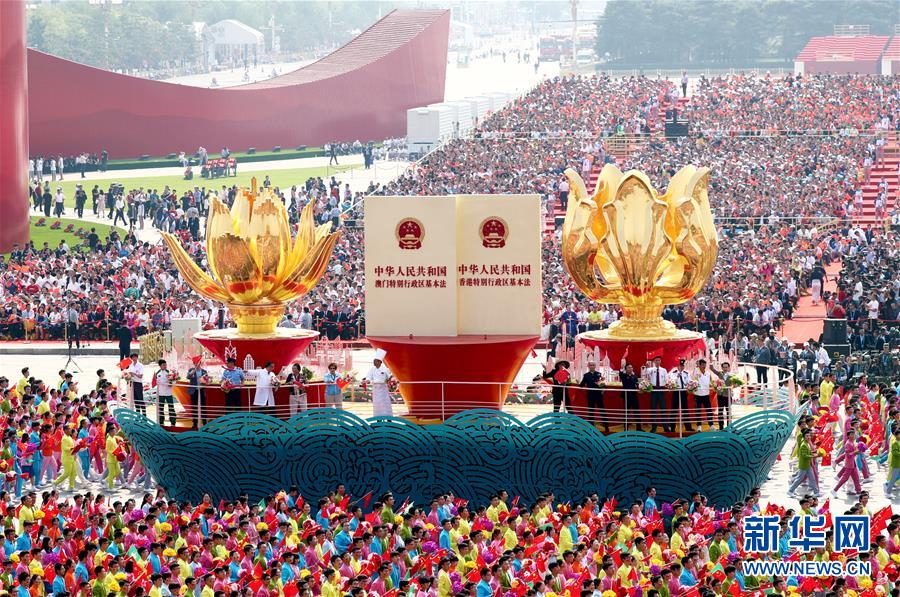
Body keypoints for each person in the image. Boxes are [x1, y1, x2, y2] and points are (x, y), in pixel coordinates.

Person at [645, 355, 669, 433]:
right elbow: (646, 372)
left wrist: (667, 384)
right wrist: (647, 367)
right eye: (656, 360)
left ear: (660, 361)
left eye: (659, 360)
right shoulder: (651, 369)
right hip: (654, 390)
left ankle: (665, 427)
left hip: (661, 390)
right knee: (653, 409)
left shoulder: (664, 370)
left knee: (663, 409)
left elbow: (666, 379)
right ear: (654, 362)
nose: (657, 361)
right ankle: (654, 427)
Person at [580, 361, 607, 432]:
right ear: (588, 366)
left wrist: (603, 383)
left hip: (598, 395)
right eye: (590, 365)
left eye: (593, 365)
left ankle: (605, 425)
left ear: (595, 366)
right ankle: (591, 426)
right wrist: (578, 383)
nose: (592, 366)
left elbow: (603, 385)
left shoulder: (599, 374)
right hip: (590, 395)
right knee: (591, 411)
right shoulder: (586, 375)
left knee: (602, 410)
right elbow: (582, 384)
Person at [366, 349, 393, 417]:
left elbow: (390, 376)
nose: (374, 362)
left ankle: (388, 418)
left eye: (375, 361)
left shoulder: (385, 369)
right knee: (377, 404)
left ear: (380, 362)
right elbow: (368, 377)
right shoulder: (372, 369)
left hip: (383, 388)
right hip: (376, 388)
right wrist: (368, 380)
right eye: (374, 360)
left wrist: (388, 379)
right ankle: (378, 418)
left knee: (385, 403)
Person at [669, 359, 692, 432]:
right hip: (676, 392)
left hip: (683, 392)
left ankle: (688, 427)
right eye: (680, 366)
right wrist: (677, 377)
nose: (681, 367)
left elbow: (689, 382)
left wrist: (691, 385)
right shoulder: (673, 373)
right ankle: (672, 427)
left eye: (682, 366)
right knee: (674, 410)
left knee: (685, 410)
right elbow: (671, 382)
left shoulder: (686, 373)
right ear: (677, 366)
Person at [691, 359, 714, 431]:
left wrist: (716, 385)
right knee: (698, 411)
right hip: (698, 395)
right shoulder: (696, 371)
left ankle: (711, 425)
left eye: (705, 365)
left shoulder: (708, 373)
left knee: (709, 410)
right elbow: (692, 380)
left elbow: (711, 382)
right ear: (699, 365)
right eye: (702, 365)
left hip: (706, 394)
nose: (704, 366)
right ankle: (699, 426)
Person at [186, 355, 209, 427]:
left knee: (203, 406)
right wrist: (194, 370)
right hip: (194, 391)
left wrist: (206, 381)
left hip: (201, 390)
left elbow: (207, 380)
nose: (196, 364)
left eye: (198, 362)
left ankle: (204, 422)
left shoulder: (204, 371)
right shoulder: (191, 370)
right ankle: (194, 422)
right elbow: (188, 377)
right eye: (195, 363)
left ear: (200, 363)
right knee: (194, 407)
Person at [154, 359, 177, 427]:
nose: (165, 366)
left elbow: (174, 381)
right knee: (161, 408)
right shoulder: (157, 373)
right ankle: (161, 422)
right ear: (160, 366)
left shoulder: (169, 372)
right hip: (161, 393)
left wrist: (171, 382)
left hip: (168, 393)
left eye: (165, 365)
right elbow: (156, 382)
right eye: (163, 365)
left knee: (171, 407)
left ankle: (173, 422)